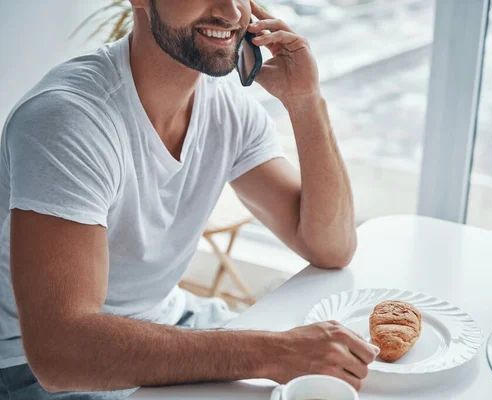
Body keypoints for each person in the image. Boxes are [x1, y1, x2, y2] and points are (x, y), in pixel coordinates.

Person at [0, 0, 379, 399]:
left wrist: (305, 99)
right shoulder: (68, 121)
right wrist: (278, 352)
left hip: (169, 318)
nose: (232, 13)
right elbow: (60, 354)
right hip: (36, 369)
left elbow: (331, 247)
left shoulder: (226, 109)